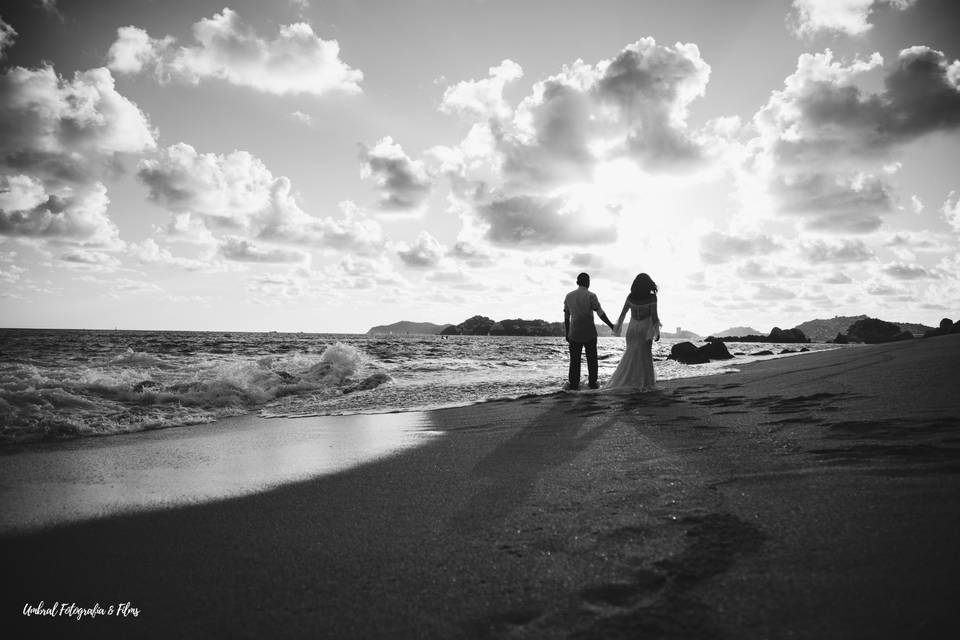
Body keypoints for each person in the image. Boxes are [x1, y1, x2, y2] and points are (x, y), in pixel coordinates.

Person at [605, 273, 661, 392]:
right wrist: (657, 332)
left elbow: (622, 314)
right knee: (645, 356)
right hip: (644, 329)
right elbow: (654, 316)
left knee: (630, 354)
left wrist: (617, 328)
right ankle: (645, 383)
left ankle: (628, 381)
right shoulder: (651, 298)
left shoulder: (631, 297)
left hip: (632, 329)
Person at [563, 272, 616, 390]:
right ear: (588, 282)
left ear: (577, 282)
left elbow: (566, 317)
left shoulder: (569, 296)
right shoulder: (591, 296)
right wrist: (611, 325)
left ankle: (573, 385)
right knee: (592, 360)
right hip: (589, 333)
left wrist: (567, 333)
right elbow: (600, 313)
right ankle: (592, 383)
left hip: (574, 333)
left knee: (574, 361)